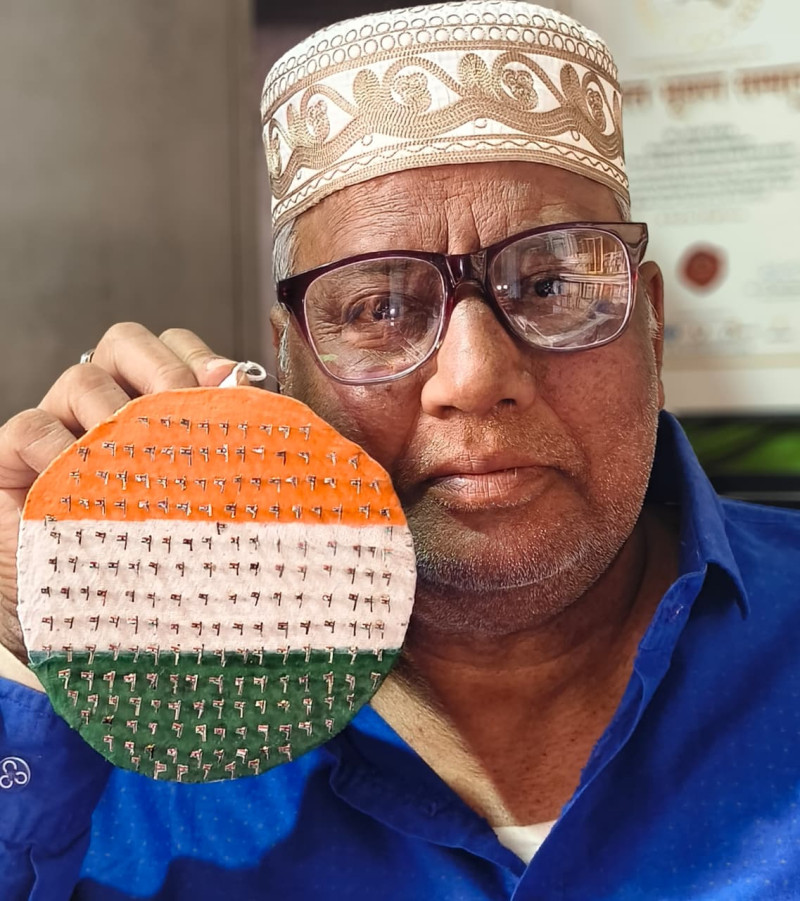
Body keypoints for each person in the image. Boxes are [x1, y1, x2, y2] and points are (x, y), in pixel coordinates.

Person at [2, 1, 800, 898]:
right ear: (291, 361)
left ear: (649, 325)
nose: (473, 374)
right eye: (380, 307)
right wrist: (17, 640)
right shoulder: (142, 725)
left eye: (548, 284)